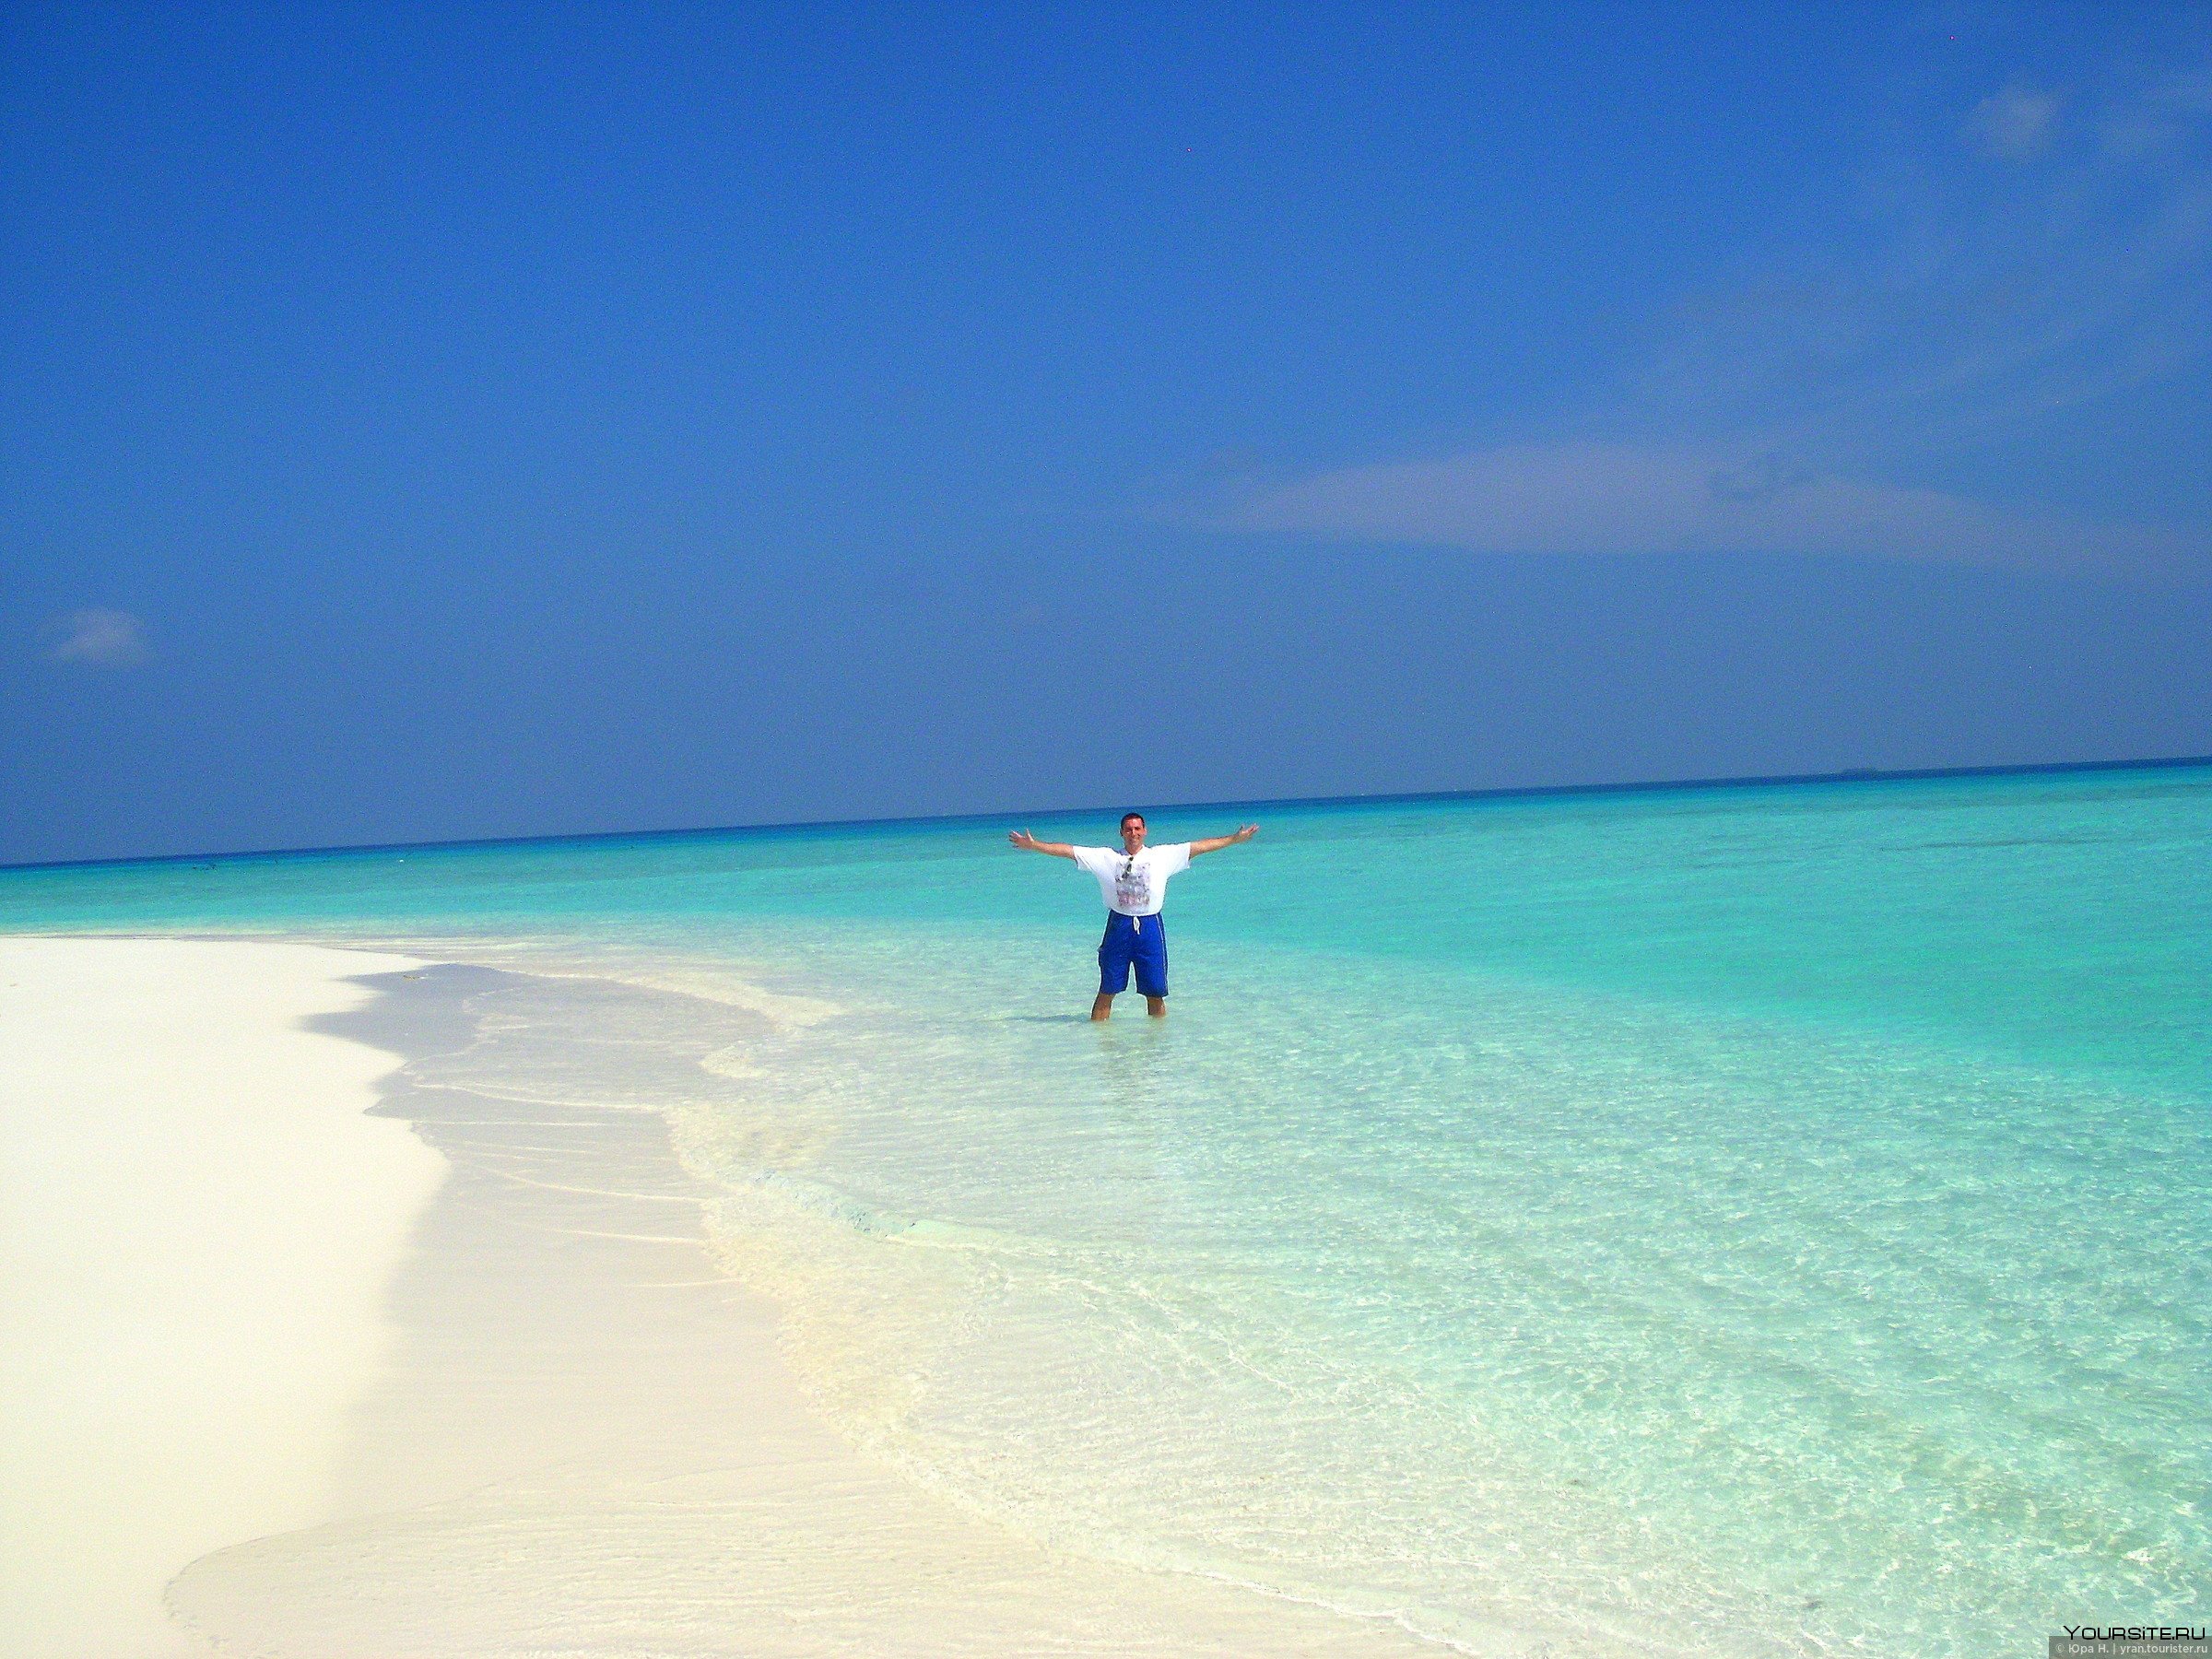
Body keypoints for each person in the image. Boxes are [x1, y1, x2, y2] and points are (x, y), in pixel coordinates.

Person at [1007, 812, 1258, 1020]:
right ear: (1121, 833)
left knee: (1155, 992)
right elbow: (1068, 851)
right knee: (1107, 989)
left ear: (1145, 831)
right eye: (1128, 829)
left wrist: (1234, 839)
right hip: (1119, 926)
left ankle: (1156, 1048)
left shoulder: (1162, 856)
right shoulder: (1106, 857)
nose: (1133, 833)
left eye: (1137, 828)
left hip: (1150, 927)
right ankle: (1101, 1044)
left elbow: (1200, 847)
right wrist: (1034, 845)